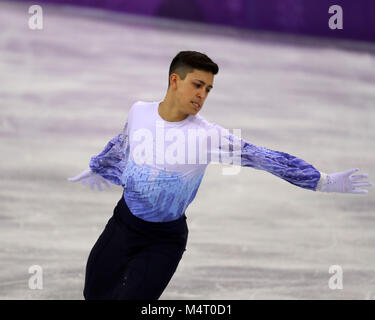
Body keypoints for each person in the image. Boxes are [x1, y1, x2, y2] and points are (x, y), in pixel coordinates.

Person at [68, 51, 372, 300]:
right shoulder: (139, 112)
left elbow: (266, 158)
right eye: (197, 85)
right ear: (175, 80)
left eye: (208, 89)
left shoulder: (208, 136)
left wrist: (321, 180)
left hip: (163, 240)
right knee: (93, 294)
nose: (203, 95)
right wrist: (99, 166)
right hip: (122, 224)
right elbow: (122, 144)